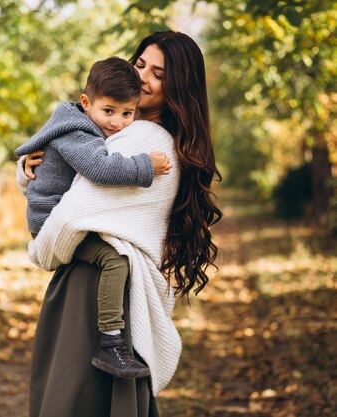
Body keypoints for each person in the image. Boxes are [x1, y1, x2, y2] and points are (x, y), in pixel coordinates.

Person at [17, 31, 222, 417]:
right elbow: (62, 165)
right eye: (140, 64)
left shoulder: (142, 139)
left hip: (91, 286)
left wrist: (41, 247)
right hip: (106, 282)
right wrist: (30, 169)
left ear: (179, 86)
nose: (143, 77)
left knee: (75, 399)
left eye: (158, 73)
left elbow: (72, 210)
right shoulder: (125, 130)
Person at [14, 56, 172, 379]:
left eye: (127, 114)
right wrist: (146, 167)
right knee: (116, 260)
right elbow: (101, 169)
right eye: (109, 112)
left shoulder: (87, 120)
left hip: (57, 212)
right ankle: (110, 343)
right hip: (50, 221)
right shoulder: (79, 132)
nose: (116, 123)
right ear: (86, 103)